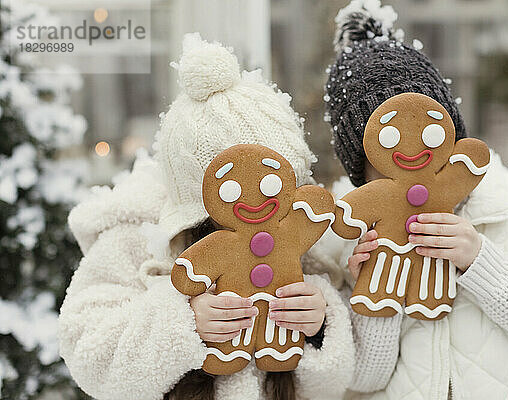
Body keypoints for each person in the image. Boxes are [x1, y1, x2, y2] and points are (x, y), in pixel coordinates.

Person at [58, 34, 354, 400]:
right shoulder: (138, 236)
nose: (264, 203)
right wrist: (182, 320)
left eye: (278, 184)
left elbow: (335, 385)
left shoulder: (299, 234)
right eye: (243, 186)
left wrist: (319, 328)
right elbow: (87, 349)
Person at [319, 1, 508, 399]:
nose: (409, 164)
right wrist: (372, 293)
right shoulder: (352, 241)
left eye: (424, 136)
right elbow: (364, 378)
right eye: (387, 155)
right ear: (363, 170)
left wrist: (480, 258)